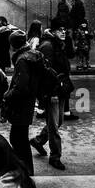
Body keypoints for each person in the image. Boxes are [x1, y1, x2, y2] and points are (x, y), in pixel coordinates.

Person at [2, 31, 51, 175]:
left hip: (21, 103)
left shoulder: (22, 59)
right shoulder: (34, 55)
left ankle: (25, 169)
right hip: (29, 101)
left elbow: (21, 85)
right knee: (19, 137)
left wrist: (7, 95)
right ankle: (25, 168)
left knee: (18, 138)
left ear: (12, 45)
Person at [29, 29, 69, 169]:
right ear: (53, 32)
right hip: (53, 91)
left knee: (58, 121)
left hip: (61, 88)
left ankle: (39, 140)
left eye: (65, 30)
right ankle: (55, 156)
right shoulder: (47, 46)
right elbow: (46, 73)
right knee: (54, 126)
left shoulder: (58, 44)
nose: (64, 32)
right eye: (60, 30)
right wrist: (50, 92)